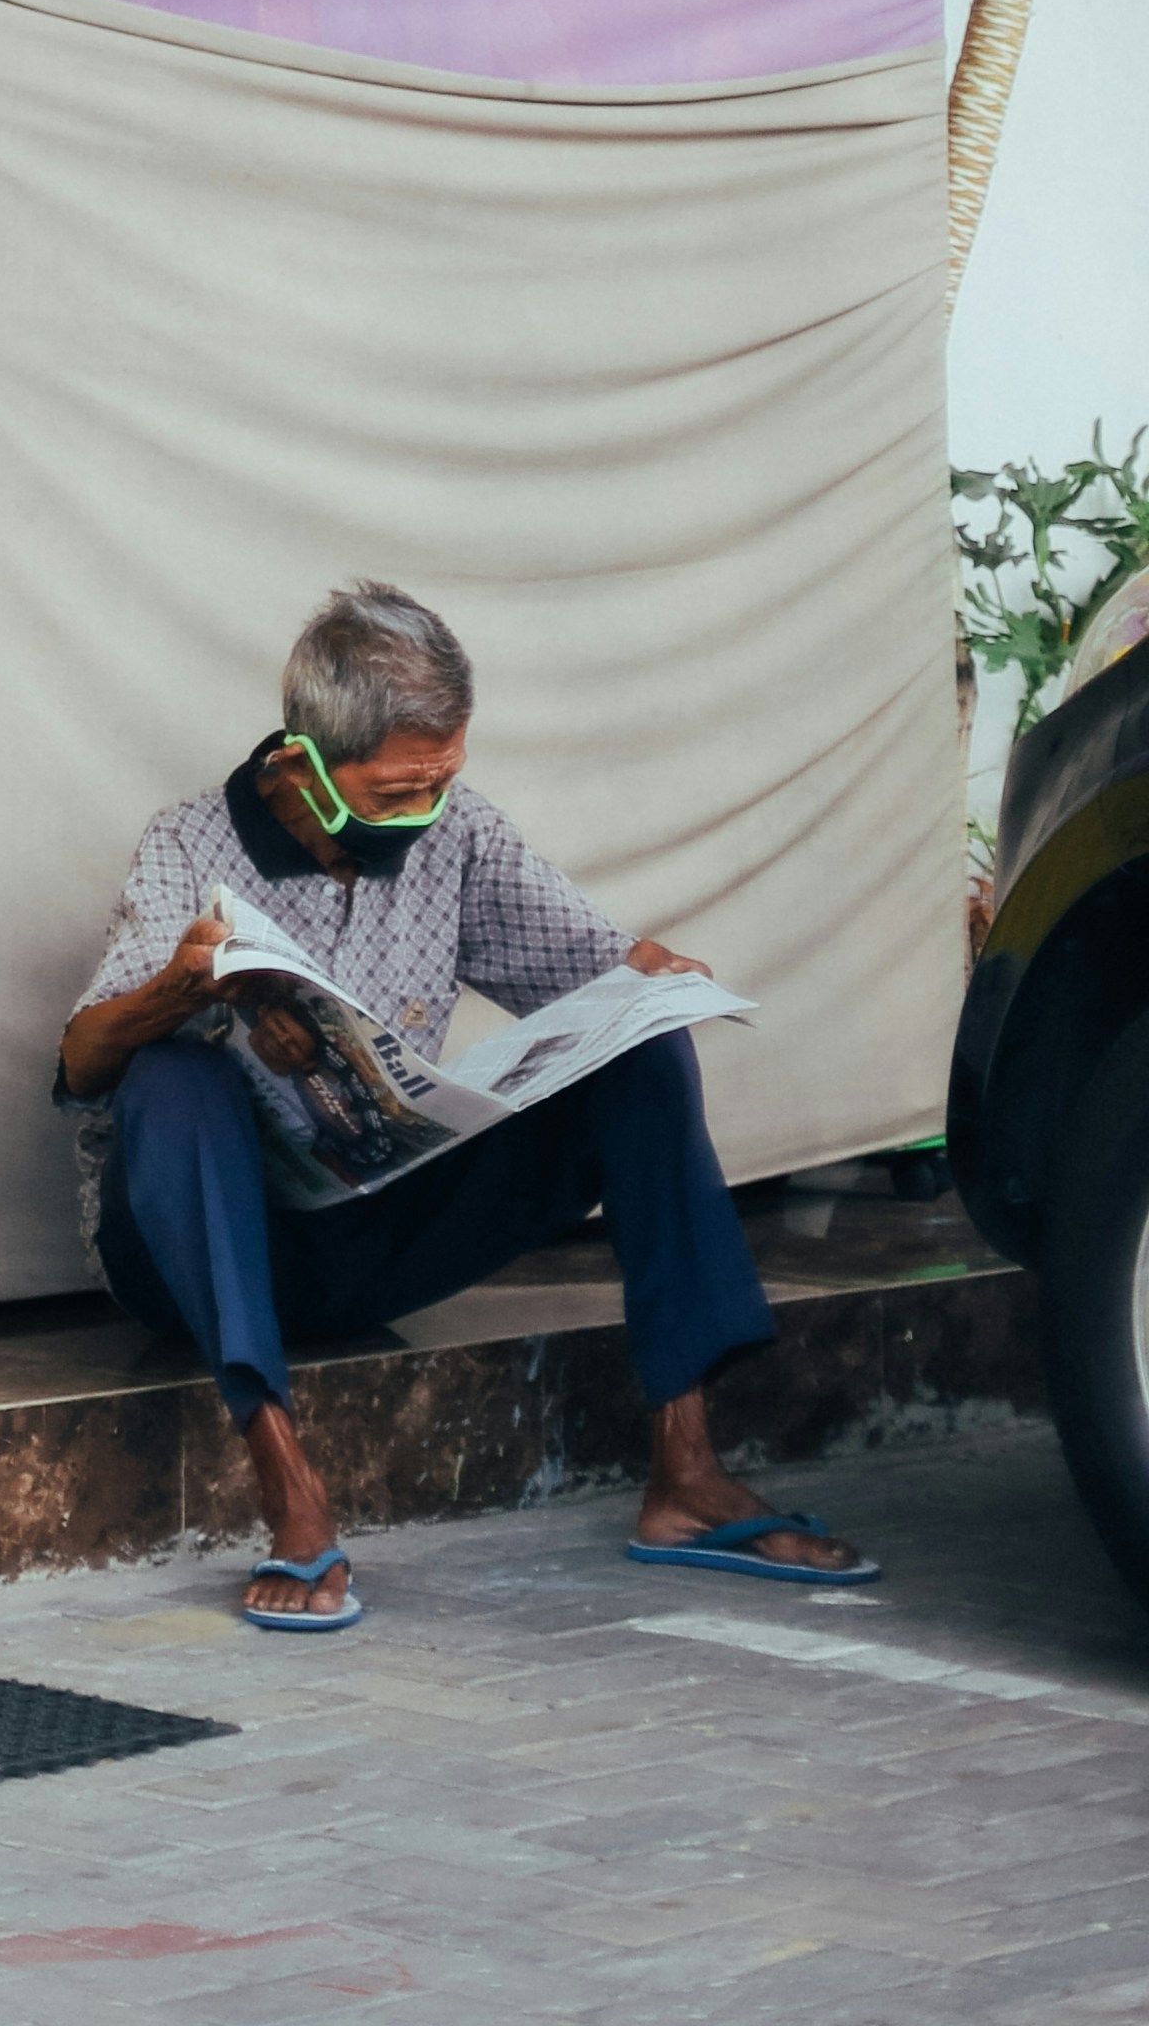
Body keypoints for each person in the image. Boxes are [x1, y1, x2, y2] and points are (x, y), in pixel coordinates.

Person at [60, 581, 879, 1633]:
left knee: (640, 1050)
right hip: (195, 1261)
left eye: (439, 784)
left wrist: (645, 977)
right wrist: (185, 986)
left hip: (366, 1236)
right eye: (395, 792)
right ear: (302, 766)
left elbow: (589, 972)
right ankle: (287, 1487)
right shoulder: (185, 847)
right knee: (172, 1081)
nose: (422, 815)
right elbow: (82, 1062)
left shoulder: (458, 841)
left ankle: (683, 1474)